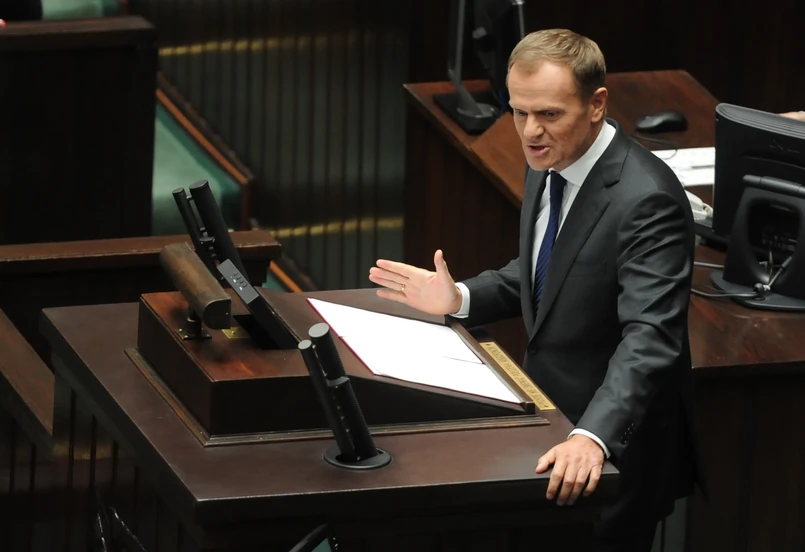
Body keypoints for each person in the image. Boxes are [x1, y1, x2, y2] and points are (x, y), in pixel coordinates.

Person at [369, 28, 701, 552]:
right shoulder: (550, 160)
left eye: (548, 113)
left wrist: (592, 436)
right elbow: (553, 267)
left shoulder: (646, 201)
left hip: (610, 453)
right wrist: (460, 299)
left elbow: (650, 339)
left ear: (596, 105)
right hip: (548, 418)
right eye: (519, 112)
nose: (529, 131)